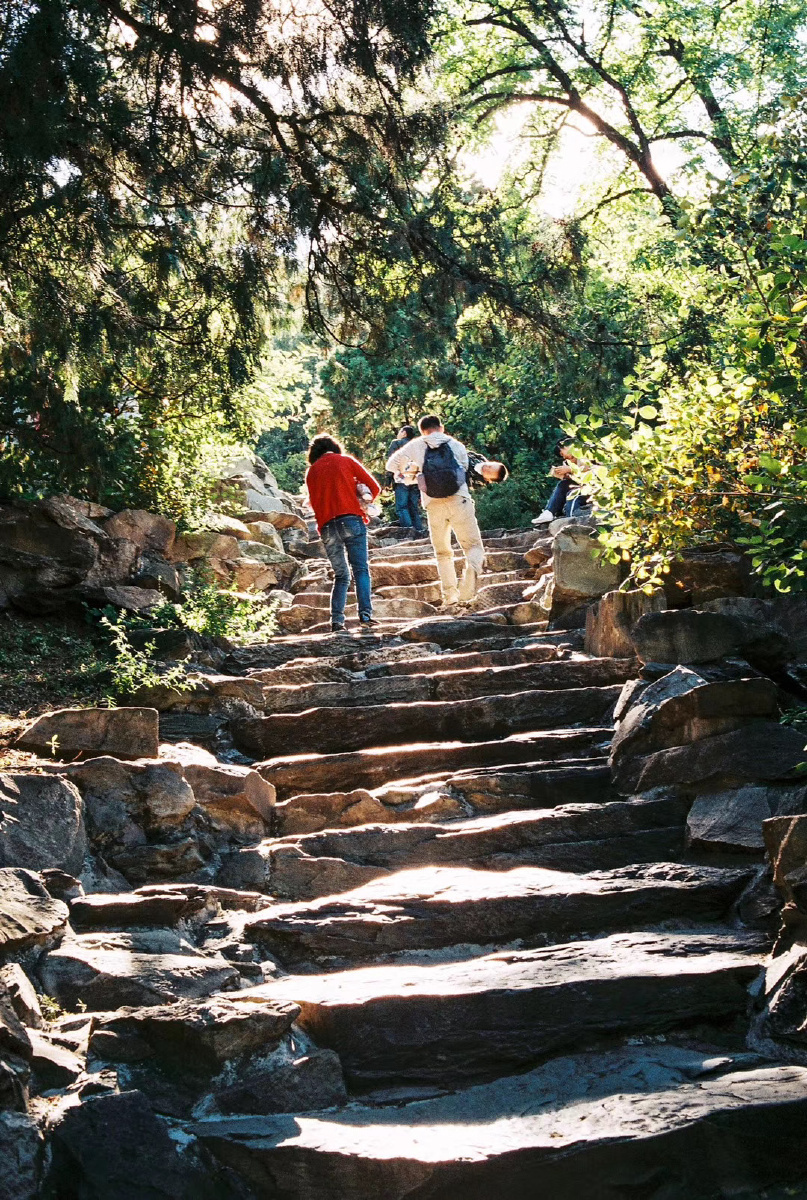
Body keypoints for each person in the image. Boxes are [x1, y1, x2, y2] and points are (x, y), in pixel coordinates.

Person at [386, 414, 485, 609]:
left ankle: (450, 596)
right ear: (441, 427)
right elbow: (464, 469)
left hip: (433, 504)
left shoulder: (416, 445)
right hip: (459, 499)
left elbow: (391, 464)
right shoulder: (455, 444)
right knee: (473, 546)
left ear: (422, 430)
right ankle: (468, 587)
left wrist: (408, 475)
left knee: (443, 553)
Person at [305, 434, 381, 633]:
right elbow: (375, 487)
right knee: (361, 570)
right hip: (351, 520)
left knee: (341, 576)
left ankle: (337, 621)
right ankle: (365, 615)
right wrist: (361, 499)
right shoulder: (346, 461)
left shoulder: (311, 472)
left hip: (328, 527)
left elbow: (314, 503)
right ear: (334, 447)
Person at [532, 438, 591, 525]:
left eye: (562, 454)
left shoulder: (584, 451)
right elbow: (580, 477)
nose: (564, 457)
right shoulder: (570, 461)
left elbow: (589, 469)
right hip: (583, 485)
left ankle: (571, 522)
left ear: (566, 447)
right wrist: (566, 475)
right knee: (563, 484)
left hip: (595, 487)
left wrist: (570, 469)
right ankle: (549, 511)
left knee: (572, 495)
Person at [386, 424, 424, 536]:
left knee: (402, 507)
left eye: (399, 431)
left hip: (401, 478)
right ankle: (420, 531)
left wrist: (388, 480)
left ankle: (408, 532)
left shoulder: (396, 443)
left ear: (404, 433)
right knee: (413, 507)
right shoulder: (417, 445)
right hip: (416, 478)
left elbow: (391, 461)